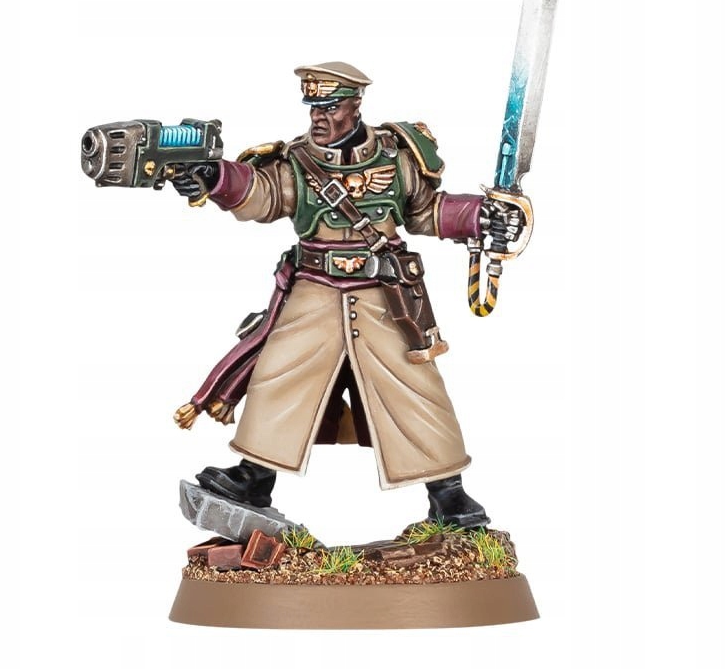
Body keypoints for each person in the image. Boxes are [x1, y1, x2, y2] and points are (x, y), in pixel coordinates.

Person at [172, 61, 523, 528]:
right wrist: (215, 177)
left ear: (356, 105)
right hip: (314, 287)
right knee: (278, 374)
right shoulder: (295, 161)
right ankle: (254, 477)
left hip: (384, 294)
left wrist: (479, 215)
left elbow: (425, 212)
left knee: (416, 386)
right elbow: (262, 194)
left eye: (331, 107)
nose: (319, 116)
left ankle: (449, 495)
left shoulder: (399, 155)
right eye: (314, 107)